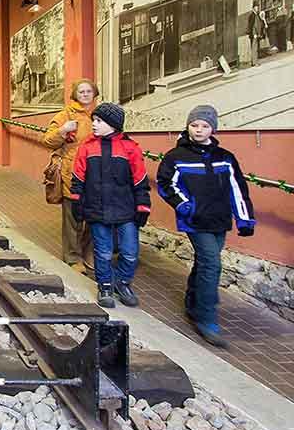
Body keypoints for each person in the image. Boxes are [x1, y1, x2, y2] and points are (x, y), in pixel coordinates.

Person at [157, 106, 255, 348]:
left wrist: (244, 218)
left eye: (204, 126)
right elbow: (166, 184)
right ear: (188, 126)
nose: (199, 130)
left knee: (204, 263)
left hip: (219, 220)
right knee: (212, 263)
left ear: (213, 129)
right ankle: (207, 318)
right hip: (195, 221)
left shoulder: (225, 157)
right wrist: (185, 206)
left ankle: (192, 302)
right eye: (194, 125)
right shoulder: (175, 156)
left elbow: (237, 189)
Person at [69, 102, 150, 308]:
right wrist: (77, 201)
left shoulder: (130, 148)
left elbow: (140, 179)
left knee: (130, 251)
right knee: (103, 251)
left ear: (113, 124)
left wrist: (143, 205)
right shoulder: (86, 148)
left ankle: (122, 283)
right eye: (93, 120)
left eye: (99, 121)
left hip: (126, 210)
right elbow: (78, 177)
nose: (94, 125)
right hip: (97, 209)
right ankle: (105, 285)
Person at [42, 79, 99, 273]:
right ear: (75, 94)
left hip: (96, 173)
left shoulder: (99, 114)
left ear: (94, 93)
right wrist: (63, 130)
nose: (85, 94)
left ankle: (87, 253)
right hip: (72, 172)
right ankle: (73, 258)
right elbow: (48, 140)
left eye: (88, 91)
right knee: (73, 218)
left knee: (94, 215)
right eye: (81, 91)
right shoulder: (65, 115)